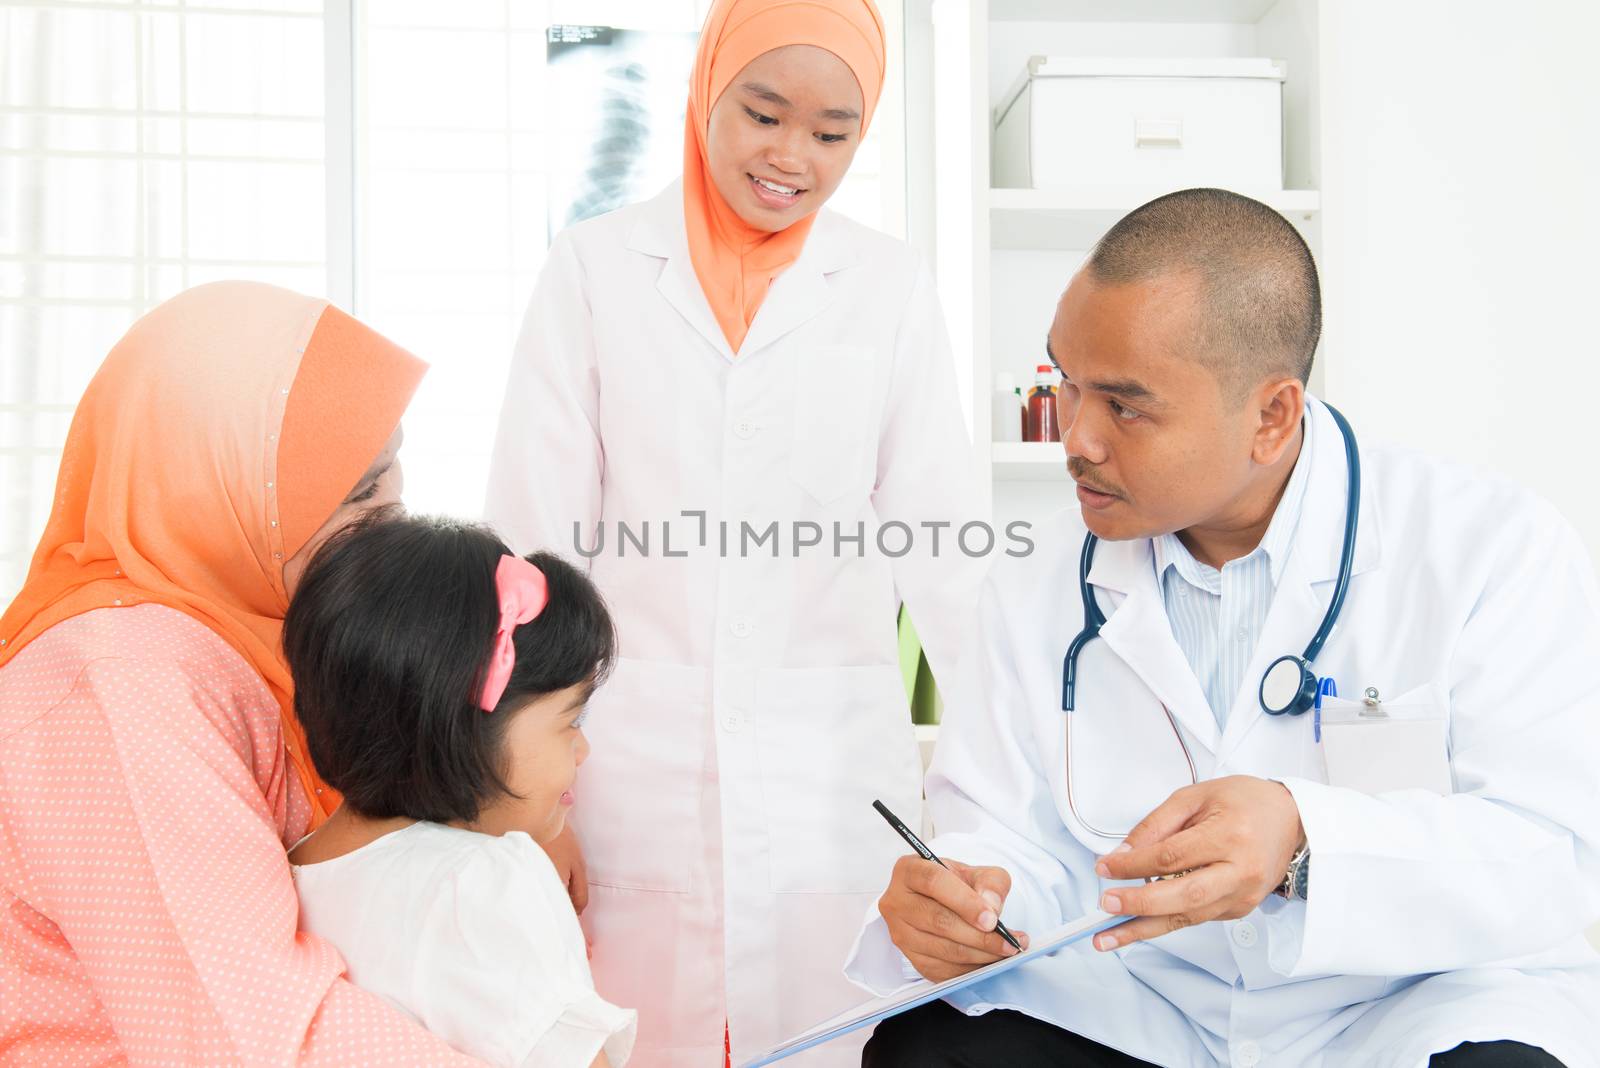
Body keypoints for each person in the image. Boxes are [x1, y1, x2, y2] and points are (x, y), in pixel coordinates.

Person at [847, 189, 1600, 1067]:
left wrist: (1304, 841)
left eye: (1125, 406)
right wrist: (971, 898)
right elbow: (1005, 834)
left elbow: (1551, 850)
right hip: (1147, 1009)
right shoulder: (1035, 579)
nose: (1076, 437)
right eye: (1065, 384)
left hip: (1404, 1008)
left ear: (1271, 417)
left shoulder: (1487, 548)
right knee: (928, 1051)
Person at [484, 1, 985, 1063]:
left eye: (831, 132)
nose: (789, 156)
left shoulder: (887, 288)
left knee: (828, 1035)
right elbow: (530, 559)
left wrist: (993, 799)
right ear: (707, 86)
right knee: (631, 1033)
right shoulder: (594, 270)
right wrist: (532, 803)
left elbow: (947, 549)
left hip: (828, 765)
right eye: (762, 113)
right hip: (627, 761)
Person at [0, 282, 485, 1063]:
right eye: (358, 492)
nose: (394, 513)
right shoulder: (125, 685)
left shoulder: (259, 642)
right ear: (212, 487)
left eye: (393, 467)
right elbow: (252, 1034)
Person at [285, 513, 635, 1068]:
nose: (582, 750)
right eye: (570, 721)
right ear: (464, 731)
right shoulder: (482, 883)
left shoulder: (289, 874)